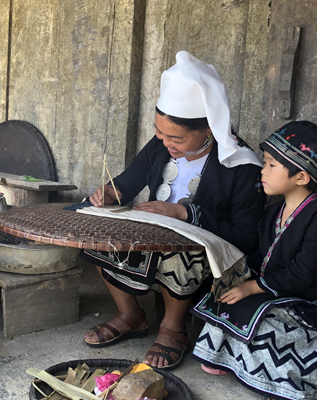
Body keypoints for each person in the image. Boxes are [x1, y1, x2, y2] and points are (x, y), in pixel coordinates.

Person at [82, 51, 266, 370]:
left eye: (175, 137)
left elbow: (248, 239)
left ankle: (173, 328)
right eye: (159, 131)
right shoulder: (160, 146)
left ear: (209, 128)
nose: (163, 141)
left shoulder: (243, 168)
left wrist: (186, 215)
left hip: (211, 257)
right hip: (155, 239)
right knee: (92, 232)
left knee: (180, 251)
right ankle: (130, 315)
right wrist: (111, 193)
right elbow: (128, 180)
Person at [191, 121, 317, 400]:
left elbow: (304, 272)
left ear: (301, 177)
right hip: (274, 291)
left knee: (264, 319)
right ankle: (228, 359)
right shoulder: (274, 211)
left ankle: (276, 377)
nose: (262, 170)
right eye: (265, 162)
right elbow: (261, 256)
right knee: (226, 296)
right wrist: (236, 277)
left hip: (307, 302)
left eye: (272, 165)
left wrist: (253, 287)